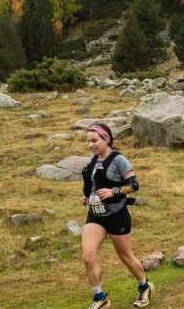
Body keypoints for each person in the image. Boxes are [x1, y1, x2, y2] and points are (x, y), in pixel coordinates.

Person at [80, 122, 152, 308]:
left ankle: (144, 286)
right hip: (95, 215)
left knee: (126, 257)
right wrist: (87, 197)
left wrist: (114, 191)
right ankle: (100, 298)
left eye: (94, 140)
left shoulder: (120, 160)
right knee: (88, 257)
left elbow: (134, 185)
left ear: (107, 139)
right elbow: (95, 184)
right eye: (88, 141)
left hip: (116, 215)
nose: (91, 145)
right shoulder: (93, 159)